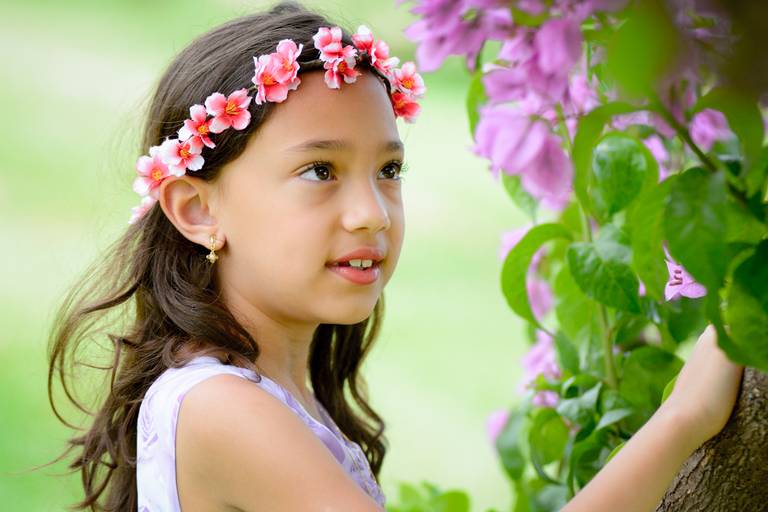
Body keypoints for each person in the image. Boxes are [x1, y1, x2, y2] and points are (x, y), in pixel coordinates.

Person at [43, 1, 743, 511]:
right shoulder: (222, 408)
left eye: (389, 170)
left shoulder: (270, 394)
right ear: (198, 211)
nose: (373, 213)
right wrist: (685, 416)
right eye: (320, 170)